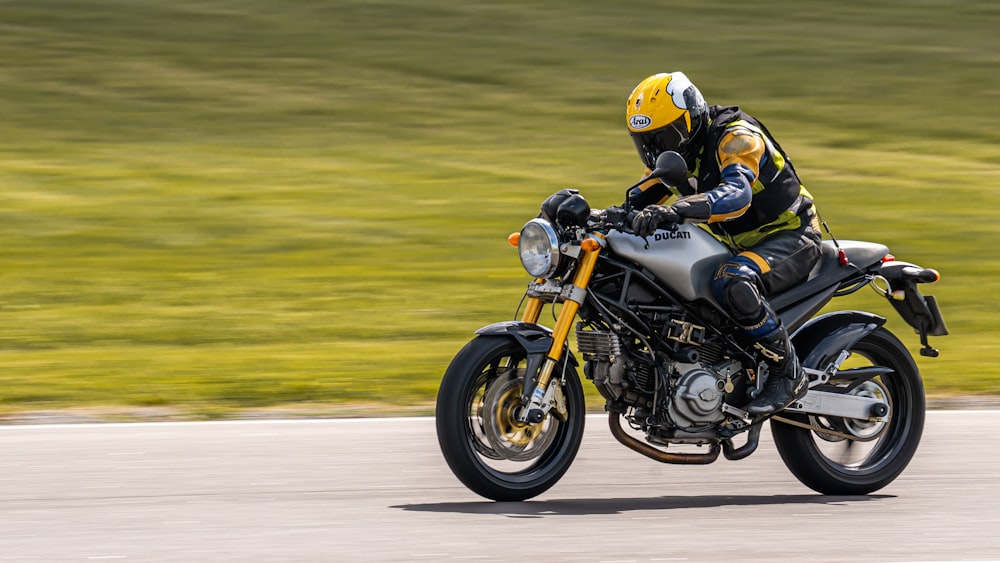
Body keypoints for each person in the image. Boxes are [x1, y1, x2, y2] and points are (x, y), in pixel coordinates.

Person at [625, 71, 822, 415]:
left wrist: (677, 211)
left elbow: (736, 195)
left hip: (790, 235)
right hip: (738, 242)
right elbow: (636, 199)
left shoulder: (736, 138)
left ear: (692, 119)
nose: (658, 150)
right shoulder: (676, 159)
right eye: (648, 141)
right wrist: (594, 217)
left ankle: (787, 372)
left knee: (732, 279)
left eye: (665, 136)